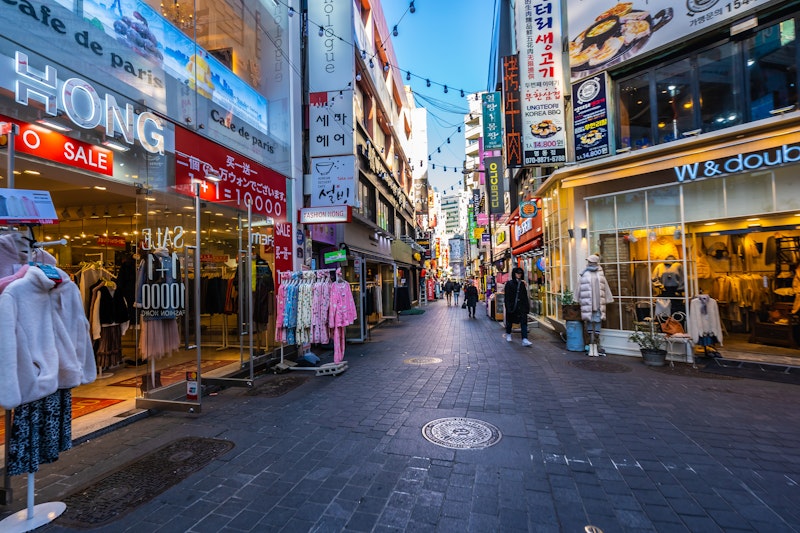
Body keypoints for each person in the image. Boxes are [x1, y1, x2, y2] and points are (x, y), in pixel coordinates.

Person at [578, 254, 614, 356]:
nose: (589, 263)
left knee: (597, 321)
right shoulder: (584, 273)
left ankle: (596, 346)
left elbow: (604, 286)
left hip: (598, 301)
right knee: (589, 321)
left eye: (591, 262)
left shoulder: (600, 273)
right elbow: (579, 286)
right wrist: (577, 298)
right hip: (588, 302)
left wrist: (608, 298)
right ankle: (591, 347)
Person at [504, 267, 532, 346]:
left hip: (521, 307)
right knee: (510, 321)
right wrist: (508, 307)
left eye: (520, 273)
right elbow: (507, 297)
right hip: (513, 306)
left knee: (523, 322)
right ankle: (508, 333)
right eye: (517, 273)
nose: (519, 275)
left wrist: (526, 307)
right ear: (514, 274)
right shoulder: (509, 284)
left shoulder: (522, 284)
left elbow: (524, 296)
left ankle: (524, 339)